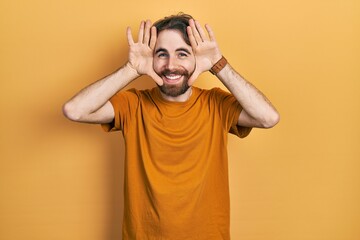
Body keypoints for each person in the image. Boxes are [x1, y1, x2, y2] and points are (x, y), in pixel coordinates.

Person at [63, 13, 279, 240]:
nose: (171, 66)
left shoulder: (216, 104)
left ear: (197, 59)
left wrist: (218, 64)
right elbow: (75, 110)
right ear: (151, 59)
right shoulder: (133, 104)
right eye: (161, 54)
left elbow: (268, 118)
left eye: (182, 54)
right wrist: (131, 68)